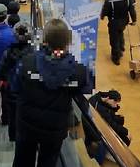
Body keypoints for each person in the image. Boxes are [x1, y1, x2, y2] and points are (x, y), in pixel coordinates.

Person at [12, 19, 90, 167]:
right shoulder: (78, 71)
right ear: (67, 42)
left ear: (44, 40)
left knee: (22, 159)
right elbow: (84, 90)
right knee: (48, 160)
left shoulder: (27, 62)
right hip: (55, 128)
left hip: (27, 123)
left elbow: (15, 87)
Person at [0, 22, 33, 142]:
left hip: (12, 88)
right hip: (28, 91)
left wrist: (4, 80)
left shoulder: (8, 52)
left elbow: (2, 70)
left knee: (12, 115)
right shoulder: (34, 54)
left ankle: (12, 137)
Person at [85, 90, 131, 163]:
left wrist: (119, 118)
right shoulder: (102, 109)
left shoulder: (97, 99)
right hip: (96, 131)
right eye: (115, 102)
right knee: (124, 139)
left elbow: (110, 117)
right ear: (108, 98)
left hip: (92, 127)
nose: (116, 105)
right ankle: (101, 158)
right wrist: (126, 131)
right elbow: (112, 124)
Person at [100, 0, 134, 65]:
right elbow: (132, 10)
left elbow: (105, 11)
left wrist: (102, 16)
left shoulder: (109, 1)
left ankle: (116, 58)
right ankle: (121, 47)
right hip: (124, 22)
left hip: (114, 23)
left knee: (114, 40)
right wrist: (134, 20)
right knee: (120, 33)